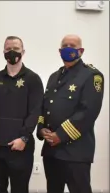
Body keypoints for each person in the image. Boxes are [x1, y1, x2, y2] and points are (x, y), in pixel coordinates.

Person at [37, 34, 104, 193]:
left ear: (81, 51)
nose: (68, 48)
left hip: (76, 152)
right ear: (60, 51)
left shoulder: (91, 75)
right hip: (51, 151)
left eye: (72, 46)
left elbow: (88, 112)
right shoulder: (54, 77)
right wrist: (41, 129)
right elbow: (45, 107)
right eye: (65, 46)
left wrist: (60, 135)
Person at [0, 36, 44, 193]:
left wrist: (23, 137)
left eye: (16, 48)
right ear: (3, 52)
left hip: (21, 148)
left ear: (23, 51)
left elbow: (35, 111)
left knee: (20, 189)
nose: (12, 52)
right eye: (8, 49)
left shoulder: (33, 79)